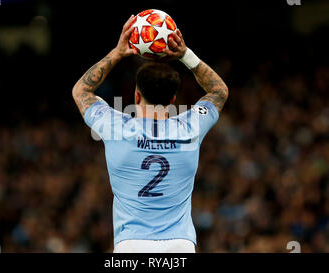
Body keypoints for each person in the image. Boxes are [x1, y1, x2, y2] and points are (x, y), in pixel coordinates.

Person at [72, 15, 228, 253]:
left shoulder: (116, 127)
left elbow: (81, 89)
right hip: (180, 245)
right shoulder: (190, 127)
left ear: (136, 97)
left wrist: (118, 52)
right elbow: (219, 91)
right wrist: (185, 54)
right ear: (173, 99)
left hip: (131, 245)